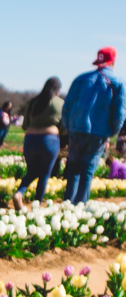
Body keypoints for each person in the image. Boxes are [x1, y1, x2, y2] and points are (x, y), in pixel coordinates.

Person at [62, 47, 126, 205]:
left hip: (76, 130)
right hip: (98, 132)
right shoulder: (117, 82)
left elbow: (67, 106)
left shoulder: (81, 79)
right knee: (87, 172)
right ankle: (79, 208)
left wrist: (69, 127)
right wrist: (112, 132)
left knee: (73, 171)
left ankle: (67, 206)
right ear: (113, 61)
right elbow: (119, 113)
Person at [12, 78, 63, 210]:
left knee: (32, 172)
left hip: (30, 139)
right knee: (44, 174)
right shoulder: (60, 103)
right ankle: (37, 204)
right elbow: (64, 127)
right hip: (49, 140)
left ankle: (19, 193)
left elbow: (25, 125)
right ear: (57, 90)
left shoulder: (33, 102)